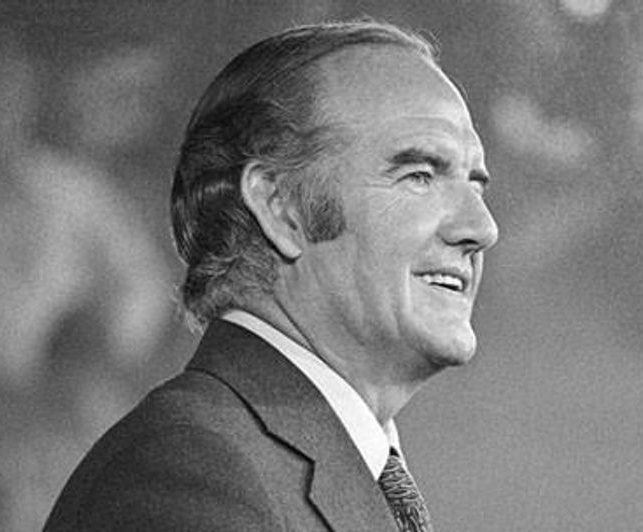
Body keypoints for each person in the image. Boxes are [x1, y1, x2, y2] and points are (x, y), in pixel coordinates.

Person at [43, 19, 498, 532]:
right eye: (419, 176)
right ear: (281, 207)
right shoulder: (193, 471)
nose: (482, 228)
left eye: (476, 184)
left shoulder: (261, 460)